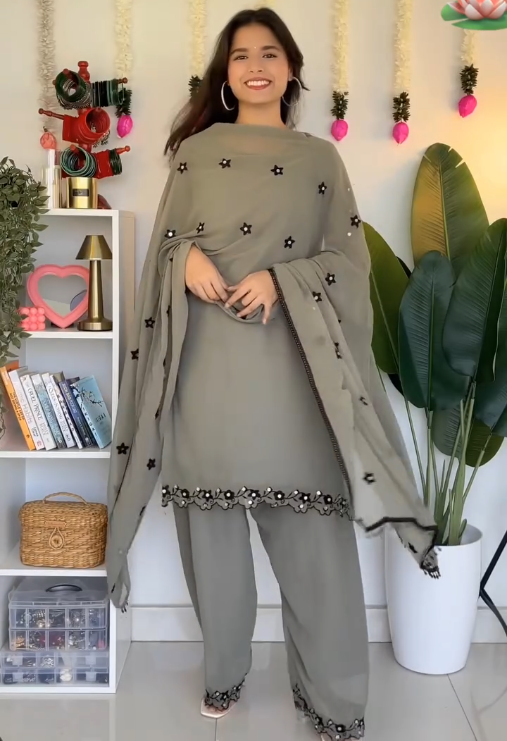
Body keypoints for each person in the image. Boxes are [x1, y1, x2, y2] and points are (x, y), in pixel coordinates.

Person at [106, 7, 438, 740]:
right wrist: (183, 259)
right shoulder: (196, 155)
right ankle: (224, 670)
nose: (255, 66)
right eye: (240, 56)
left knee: (315, 550)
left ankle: (336, 702)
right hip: (206, 368)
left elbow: (348, 265)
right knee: (212, 543)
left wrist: (283, 279)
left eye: (268, 54)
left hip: (292, 373)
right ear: (224, 78)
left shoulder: (320, 160)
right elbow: (163, 250)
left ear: (290, 69)